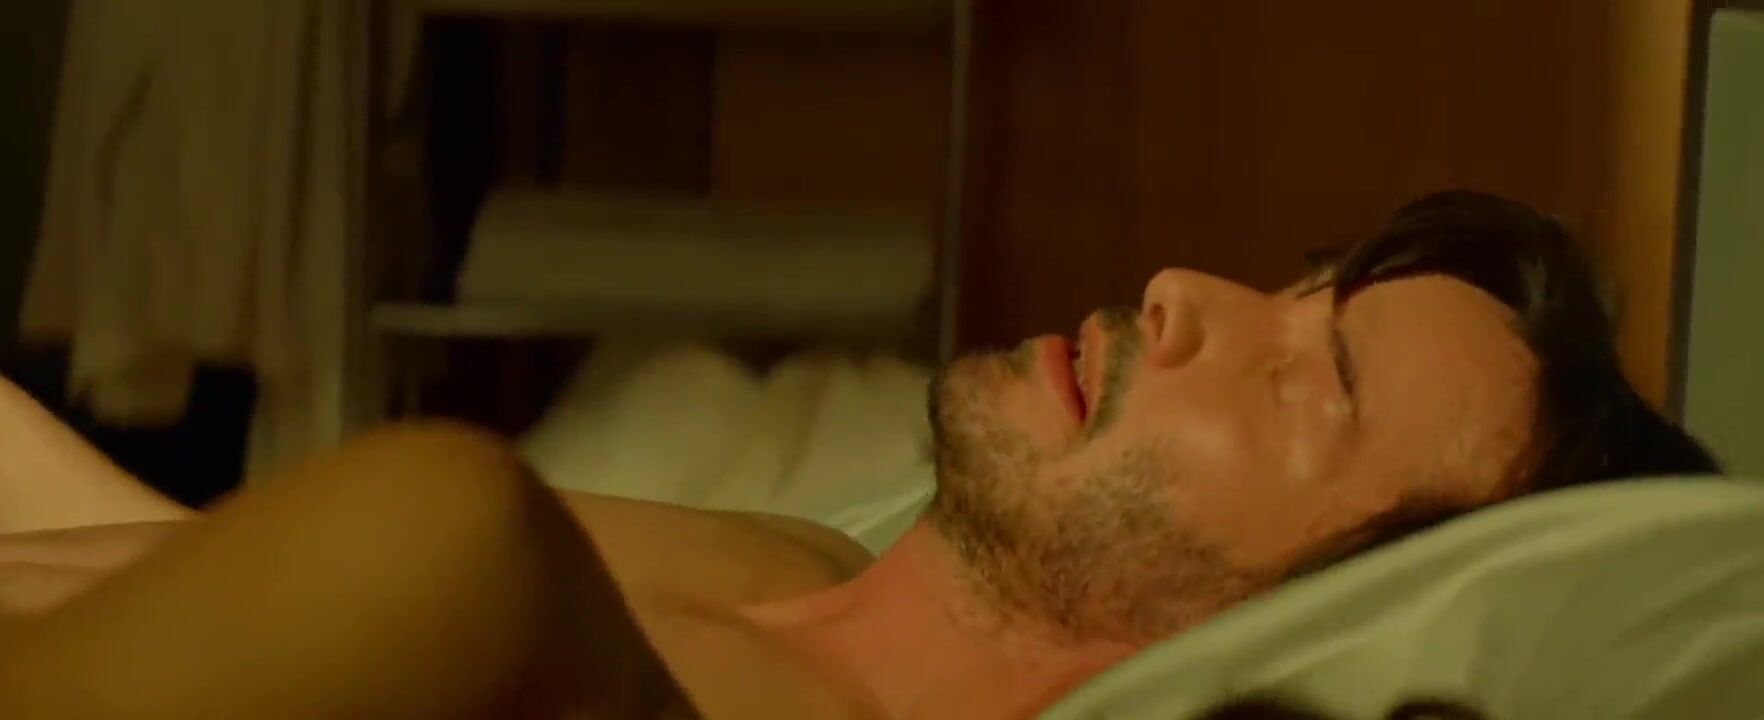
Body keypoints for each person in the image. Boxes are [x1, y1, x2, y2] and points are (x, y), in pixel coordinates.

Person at [0, 191, 1718, 718]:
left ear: (1339, 618)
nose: (1183, 293)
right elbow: (143, 567)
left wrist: (447, 558)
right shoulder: (799, 569)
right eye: (1292, 290)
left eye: (1307, 385)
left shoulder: (482, 568)